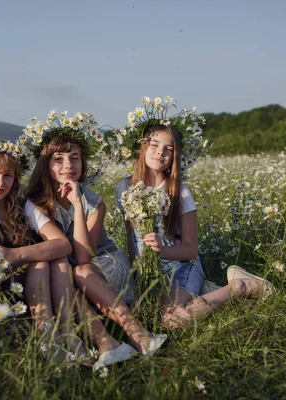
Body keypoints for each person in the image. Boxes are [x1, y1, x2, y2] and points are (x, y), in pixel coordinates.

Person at [22, 111, 168, 370]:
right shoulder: (37, 204)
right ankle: (107, 344)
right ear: (45, 165)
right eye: (59, 159)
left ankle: (138, 333)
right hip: (69, 274)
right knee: (70, 275)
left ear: (83, 163)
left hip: (105, 265)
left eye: (75, 158)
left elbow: (83, 255)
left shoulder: (94, 202)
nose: (68, 165)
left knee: (79, 270)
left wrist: (78, 204)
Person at [114, 98, 275, 328]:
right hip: (149, 272)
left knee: (173, 320)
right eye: (154, 145)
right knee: (144, 313)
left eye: (168, 150)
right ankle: (208, 290)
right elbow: (131, 237)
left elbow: (191, 249)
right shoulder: (124, 188)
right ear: (142, 147)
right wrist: (136, 270)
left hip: (180, 265)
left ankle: (240, 287)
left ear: (174, 158)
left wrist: (163, 249)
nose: (160, 153)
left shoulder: (180, 193)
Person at [0, 140, 77, 362]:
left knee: (49, 260)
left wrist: (16, 254)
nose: (0, 182)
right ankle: (52, 338)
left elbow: (63, 243)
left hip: (26, 285)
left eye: (7, 176)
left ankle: (54, 334)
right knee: (42, 260)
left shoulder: (23, 206)